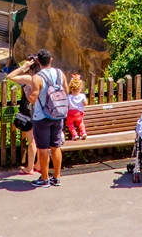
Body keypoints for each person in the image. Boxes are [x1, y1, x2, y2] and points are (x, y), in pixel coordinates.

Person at [27, 48, 67, 188]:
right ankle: (57, 177)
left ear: (38, 61)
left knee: (43, 148)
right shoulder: (60, 73)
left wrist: (27, 93)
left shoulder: (37, 77)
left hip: (42, 116)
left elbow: (33, 98)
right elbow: (66, 91)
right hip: (58, 114)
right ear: (51, 60)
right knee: (56, 146)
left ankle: (44, 178)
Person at [6, 57, 39, 174]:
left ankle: (30, 168)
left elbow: (10, 76)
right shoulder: (44, 77)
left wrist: (23, 68)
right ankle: (39, 165)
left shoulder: (30, 78)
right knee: (40, 140)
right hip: (40, 112)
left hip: (29, 112)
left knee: (32, 141)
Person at [66, 75, 87, 140]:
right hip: (79, 113)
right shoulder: (82, 96)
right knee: (80, 123)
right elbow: (85, 103)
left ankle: (75, 135)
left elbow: (67, 105)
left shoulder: (68, 97)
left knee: (69, 123)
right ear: (80, 88)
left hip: (70, 114)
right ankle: (83, 133)